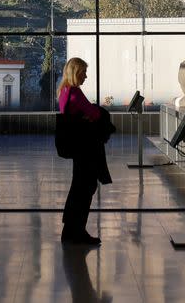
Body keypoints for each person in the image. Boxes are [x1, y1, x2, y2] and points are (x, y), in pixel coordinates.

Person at [58, 57, 114, 246]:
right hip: (85, 148)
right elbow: (95, 114)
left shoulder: (64, 91)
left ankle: (70, 230)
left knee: (78, 187)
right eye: (83, 72)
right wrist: (92, 116)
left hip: (76, 146)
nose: (86, 76)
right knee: (85, 188)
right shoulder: (75, 93)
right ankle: (78, 231)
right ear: (76, 72)